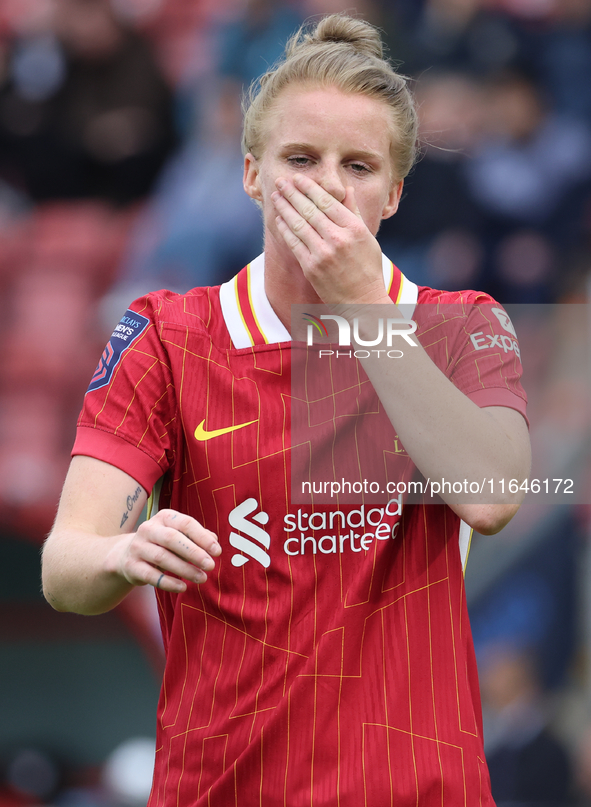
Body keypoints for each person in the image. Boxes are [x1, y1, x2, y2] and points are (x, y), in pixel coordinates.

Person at [42, 13, 531, 806]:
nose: (328, 186)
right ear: (251, 174)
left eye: (359, 165)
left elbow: (491, 493)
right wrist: (119, 557)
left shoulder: (461, 325)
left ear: (395, 191)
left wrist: (356, 305)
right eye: (300, 159)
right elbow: (65, 563)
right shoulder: (166, 336)